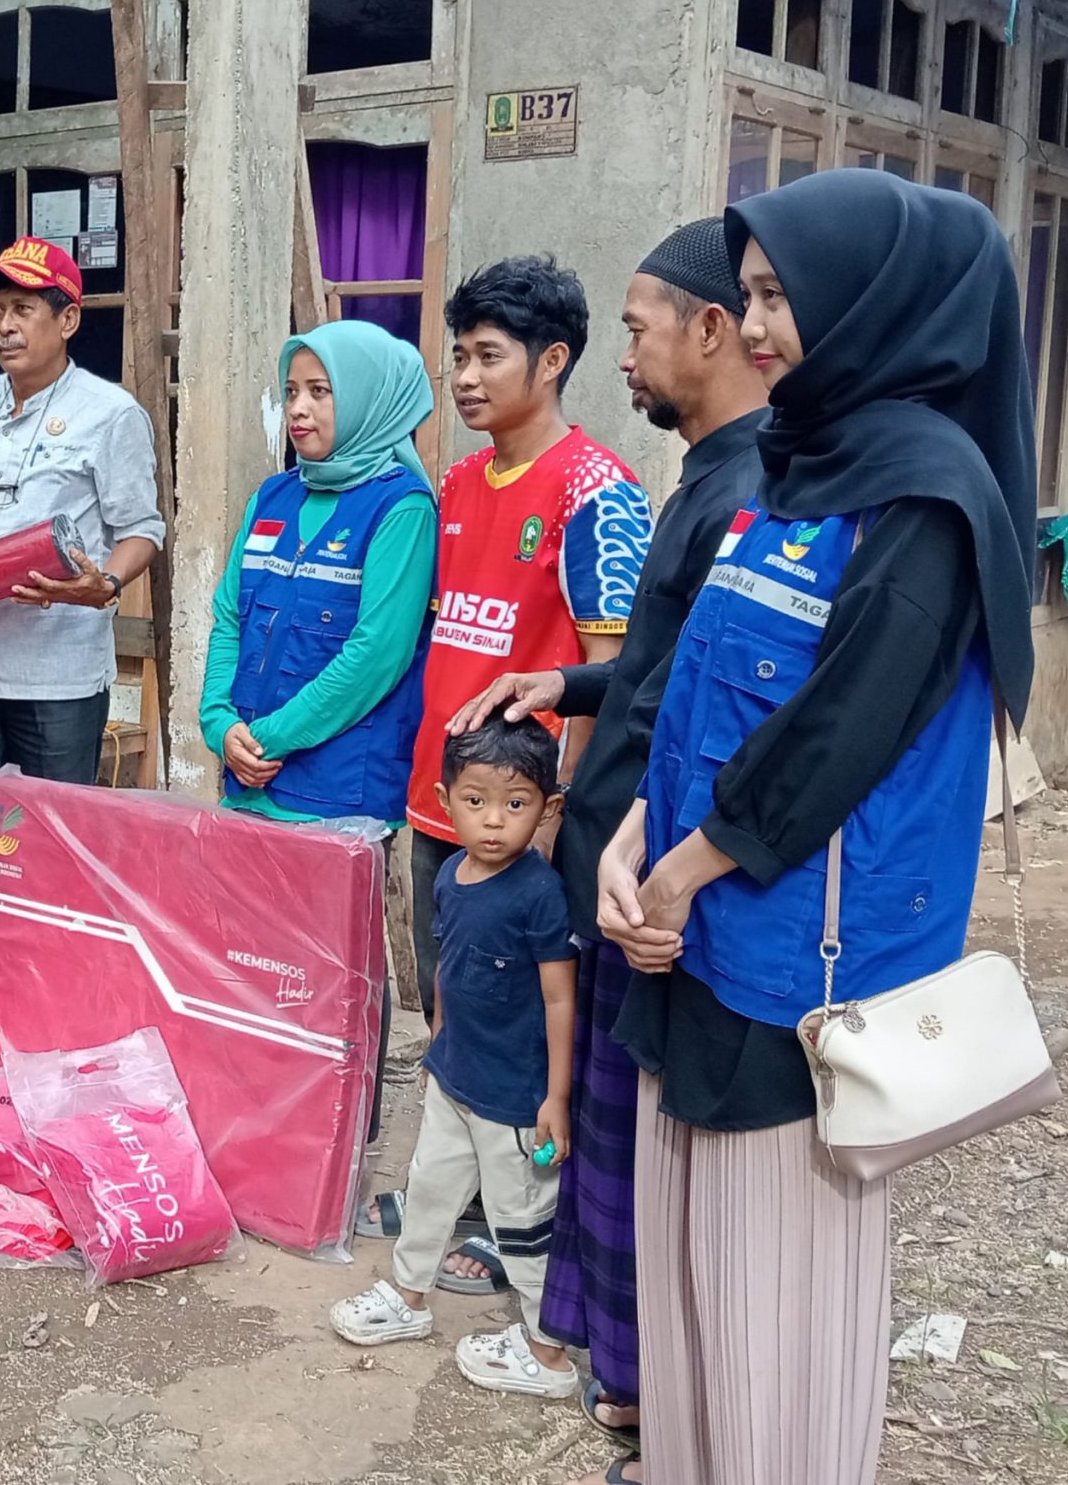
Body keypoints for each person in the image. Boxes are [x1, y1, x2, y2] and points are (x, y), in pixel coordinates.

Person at [601, 169, 1035, 1485]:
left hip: (800, 971)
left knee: (773, 1319)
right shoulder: (794, 464)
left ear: (875, 301)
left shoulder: (923, 496)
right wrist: (631, 836)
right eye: (749, 298)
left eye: (782, 298)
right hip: (699, 936)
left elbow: (837, 735)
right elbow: (701, 684)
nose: (761, 328)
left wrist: (674, 873)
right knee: (691, 1302)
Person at [447, 219, 769, 1482]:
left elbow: (716, 714)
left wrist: (664, 862)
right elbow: (648, 674)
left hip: (653, 877)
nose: (627, 353)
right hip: (622, 859)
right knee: (609, 1129)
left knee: (622, 1131)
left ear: (706, 332)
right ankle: (616, 1377)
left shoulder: (733, 491)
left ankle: (637, 1388)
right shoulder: (709, 478)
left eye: (638, 329)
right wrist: (567, 687)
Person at [385, 255, 650, 1295]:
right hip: (440, 807)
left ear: (552, 361)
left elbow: (612, 669)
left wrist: (554, 820)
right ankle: (456, 1194)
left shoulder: (596, 493)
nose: (463, 376)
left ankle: (520, 1220)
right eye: (455, 355)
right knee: (450, 1014)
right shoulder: (456, 483)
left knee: (527, 1029)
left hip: (522, 822)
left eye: (486, 355)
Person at [329, 719, 578, 1400]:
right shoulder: (449, 876)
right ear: (445, 800)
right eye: (476, 801)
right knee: (431, 1190)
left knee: (523, 1222)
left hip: (516, 1099)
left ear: (548, 807)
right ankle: (407, 1299)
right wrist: (439, 1034)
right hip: (455, 1078)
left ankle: (546, 1352)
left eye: (516, 803)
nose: (494, 822)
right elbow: (447, 967)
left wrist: (556, 1098)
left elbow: (560, 1000)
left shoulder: (539, 895)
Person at [0, 237, 166, 895]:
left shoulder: (108, 414)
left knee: (55, 841)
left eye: (23, 309)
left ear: (67, 319)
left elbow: (142, 528)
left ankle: (51, 980)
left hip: (56, 672)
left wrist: (105, 583)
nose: (4, 325)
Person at [201, 318, 436, 829]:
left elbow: (377, 654)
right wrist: (219, 722)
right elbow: (227, 618)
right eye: (290, 392)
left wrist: (268, 737)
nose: (297, 409)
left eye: (319, 392)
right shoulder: (272, 496)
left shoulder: (401, 508)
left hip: (338, 796)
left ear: (367, 400)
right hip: (249, 781)